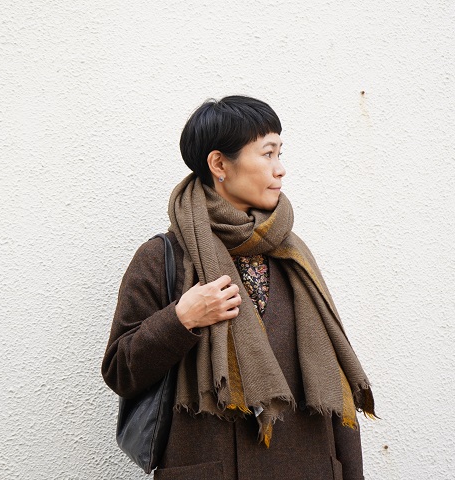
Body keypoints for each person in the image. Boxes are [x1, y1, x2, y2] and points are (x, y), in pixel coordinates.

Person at [102, 95, 376, 480]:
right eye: (267, 154)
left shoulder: (292, 254)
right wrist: (181, 319)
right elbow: (120, 371)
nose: (280, 169)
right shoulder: (161, 257)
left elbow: (335, 385)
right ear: (219, 164)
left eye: (280, 153)